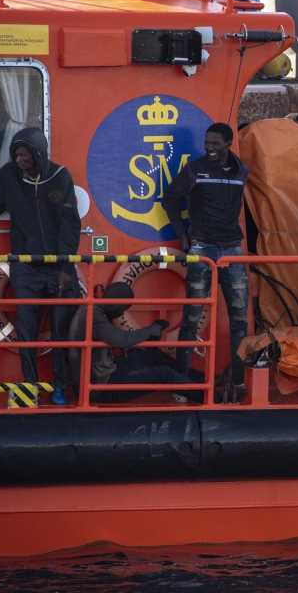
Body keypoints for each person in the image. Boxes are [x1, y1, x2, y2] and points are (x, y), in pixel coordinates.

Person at [0, 127, 80, 402]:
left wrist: (65, 267)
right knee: (27, 331)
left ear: (39, 154)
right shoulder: (9, 178)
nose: (19, 160)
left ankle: (61, 386)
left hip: (57, 266)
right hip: (25, 267)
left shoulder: (59, 177)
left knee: (61, 331)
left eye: (25, 155)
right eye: (16, 154)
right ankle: (30, 386)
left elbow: (70, 224)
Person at [163, 122, 249, 401]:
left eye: (215, 144)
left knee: (239, 318)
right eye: (207, 143)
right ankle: (181, 385)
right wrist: (183, 234)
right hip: (201, 248)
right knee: (192, 317)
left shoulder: (242, 171)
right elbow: (170, 199)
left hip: (232, 248)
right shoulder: (195, 169)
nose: (209, 148)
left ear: (228, 144)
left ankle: (237, 382)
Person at [65, 282, 201, 404]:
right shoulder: (93, 315)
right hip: (100, 388)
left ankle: (205, 380)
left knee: (153, 355)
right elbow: (121, 340)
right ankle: (209, 397)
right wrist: (150, 330)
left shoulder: (93, 309)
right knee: (165, 374)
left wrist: (151, 332)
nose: (121, 314)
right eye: (123, 309)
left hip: (105, 375)